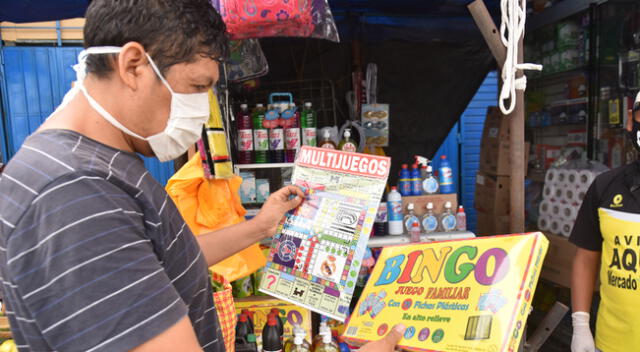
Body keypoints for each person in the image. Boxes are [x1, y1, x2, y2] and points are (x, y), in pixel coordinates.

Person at [0, 1, 405, 351]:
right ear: (133, 65)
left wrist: (261, 227)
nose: (201, 111)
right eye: (196, 87)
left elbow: (159, 262)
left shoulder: (81, 163)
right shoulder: (74, 197)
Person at [570, 90, 640, 352]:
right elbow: (586, 259)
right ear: (631, 122)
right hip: (612, 343)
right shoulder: (605, 187)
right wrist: (579, 326)